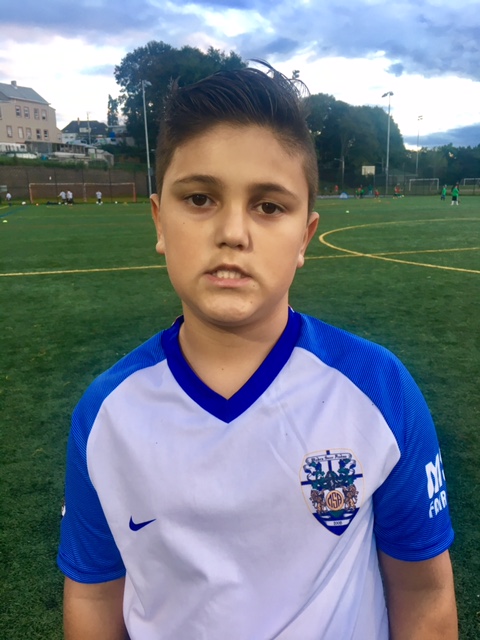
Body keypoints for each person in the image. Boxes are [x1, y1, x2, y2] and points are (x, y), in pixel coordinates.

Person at [57, 65, 457, 640]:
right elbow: (94, 598)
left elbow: (423, 592)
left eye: (268, 207)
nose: (233, 232)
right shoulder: (106, 416)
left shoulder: (379, 390)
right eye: (200, 198)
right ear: (159, 220)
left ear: (305, 237)